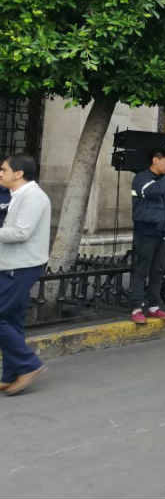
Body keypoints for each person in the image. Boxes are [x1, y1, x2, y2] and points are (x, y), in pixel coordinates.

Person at [0, 155, 50, 396]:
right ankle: (11, 374)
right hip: (12, 264)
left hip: (20, 266)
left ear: (18, 174)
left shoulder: (33, 196)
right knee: (11, 320)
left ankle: (29, 364)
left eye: (4, 170)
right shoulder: (18, 195)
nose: (1, 174)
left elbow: (21, 232)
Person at [130, 148, 165, 324]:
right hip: (146, 231)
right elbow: (152, 192)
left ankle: (153, 306)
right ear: (155, 160)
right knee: (142, 269)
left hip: (164, 232)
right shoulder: (142, 178)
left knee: (158, 270)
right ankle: (136, 307)